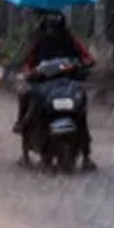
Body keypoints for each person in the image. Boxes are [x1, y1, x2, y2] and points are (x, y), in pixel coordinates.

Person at [13, 12, 96, 168]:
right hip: (43, 82)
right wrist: (31, 71)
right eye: (51, 27)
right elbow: (27, 61)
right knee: (28, 100)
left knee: (81, 113)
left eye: (56, 27)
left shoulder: (70, 39)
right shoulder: (37, 40)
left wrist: (82, 64)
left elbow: (87, 57)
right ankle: (24, 134)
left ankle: (86, 154)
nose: (53, 31)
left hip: (68, 81)